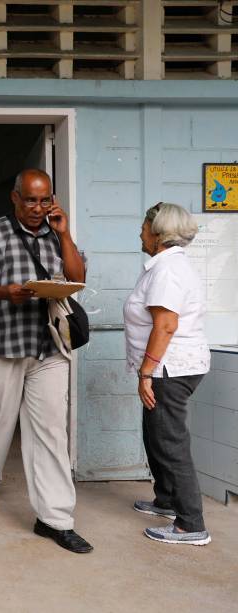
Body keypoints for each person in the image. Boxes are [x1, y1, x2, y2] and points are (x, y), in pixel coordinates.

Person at [0, 169, 92, 554]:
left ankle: (55, 518)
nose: (38, 208)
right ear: (15, 198)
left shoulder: (57, 233)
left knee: (51, 431)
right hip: (2, 343)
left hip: (48, 346)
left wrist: (64, 233)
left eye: (45, 199)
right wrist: (5, 292)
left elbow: (77, 277)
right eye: (31, 200)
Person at [124, 203, 211, 546]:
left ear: (158, 233)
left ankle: (192, 525)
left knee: (171, 442)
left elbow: (166, 324)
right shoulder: (165, 265)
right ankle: (167, 501)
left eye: (145, 227)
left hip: (170, 369)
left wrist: (146, 372)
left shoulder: (168, 271)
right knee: (155, 433)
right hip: (171, 365)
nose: (140, 232)